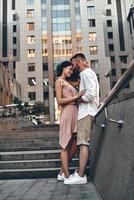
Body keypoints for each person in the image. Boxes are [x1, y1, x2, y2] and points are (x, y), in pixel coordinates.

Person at [64, 53, 99, 185]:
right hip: (87, 112)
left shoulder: (85, 74)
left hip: (86, 112)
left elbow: (90, 95)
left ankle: (81, 175)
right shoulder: (88, 74)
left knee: (83, 143)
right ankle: (79, 171)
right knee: (82, 143)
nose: (73, 68)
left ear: (79, 62)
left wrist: (77, 98)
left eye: (73, 64)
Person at [55, 60, 85, 182]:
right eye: (69, 69)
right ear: (63, 68)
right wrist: (77, 96)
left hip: (75, 112)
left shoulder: (68, 82)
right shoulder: (59, 81)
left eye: (72, 70)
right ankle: (67, 176)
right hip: (67, 112)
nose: (71, 71)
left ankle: (62, 172)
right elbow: (59, 101)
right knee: (64, 144)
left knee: (74, 144)